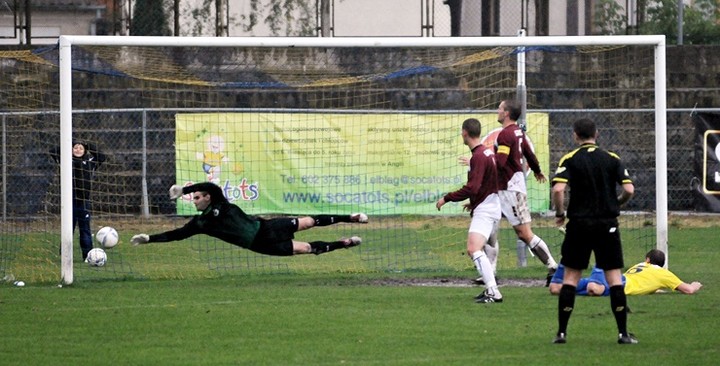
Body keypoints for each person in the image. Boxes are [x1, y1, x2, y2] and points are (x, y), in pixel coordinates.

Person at [551, 118, 637, 344]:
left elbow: (559, 189)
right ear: (596, 134)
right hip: (606, 224)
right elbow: (629, 189)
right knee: (614, 278)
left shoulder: (570, 159)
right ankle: (623, 334)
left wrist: (560, 213)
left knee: (570, 278)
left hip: (579, 225)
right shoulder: (611, 159)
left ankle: (561, 333)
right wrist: (617, 203)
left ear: (575, 135)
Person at [130, 182, 367, 256]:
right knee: (306, 249)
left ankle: (351, 217)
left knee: (309, 221)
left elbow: (209, 185)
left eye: (197, 197)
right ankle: (344, 243)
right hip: (259, 245)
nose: (194, 200)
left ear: (208, 197)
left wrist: (184, 188)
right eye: (192, 197)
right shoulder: (200, 223)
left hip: (265, 227)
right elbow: (176, 235)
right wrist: (150, 238)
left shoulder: (220, 201)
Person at [436, 118, 503, 303]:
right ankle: (492, 290)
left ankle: (493, 291)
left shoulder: (479, 156)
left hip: (486, 210)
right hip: (488, 207)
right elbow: (487, 184)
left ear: (465, 133)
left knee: (473, 249)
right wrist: (474, 203)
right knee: (476, 249)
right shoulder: (486, 153)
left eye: (461, 132)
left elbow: (472, 187)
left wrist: (446, 198)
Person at [494, 99, 558, 285]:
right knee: (488, 229)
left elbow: (500, 162)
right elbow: (528, 153)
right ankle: (489, 273)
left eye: (499, 108)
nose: (497, 111)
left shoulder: (506, 135)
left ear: (506, 113)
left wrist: (479, 162)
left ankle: (553, 267)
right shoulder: (517, 132)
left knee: (524, 234)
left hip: (510, 189)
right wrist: (537, 170)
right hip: (505, 188)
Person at [549, 249, 703, 296]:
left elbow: (646, 284)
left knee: (557, 288)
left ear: (647, 259)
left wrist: (656, 290)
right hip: (619, 285)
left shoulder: (639, 266)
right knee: (593, 288)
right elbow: (688, 289)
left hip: (617, 278)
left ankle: (566, 265)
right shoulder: (663, 274)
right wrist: (695, 285)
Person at [50, 141, 106, 261]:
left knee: (85, 230)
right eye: (75, 148)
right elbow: (53, 151)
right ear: (70, 149)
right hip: (69, 202)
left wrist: (88, 145)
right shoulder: (65, 160)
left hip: (83, 202)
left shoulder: (90, 163)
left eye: (81, 148)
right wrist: (68, 142)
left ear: (85, 151)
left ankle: (88, 255)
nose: (78, 150)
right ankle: (65, 255)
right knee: (68, 229)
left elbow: (102, 157)